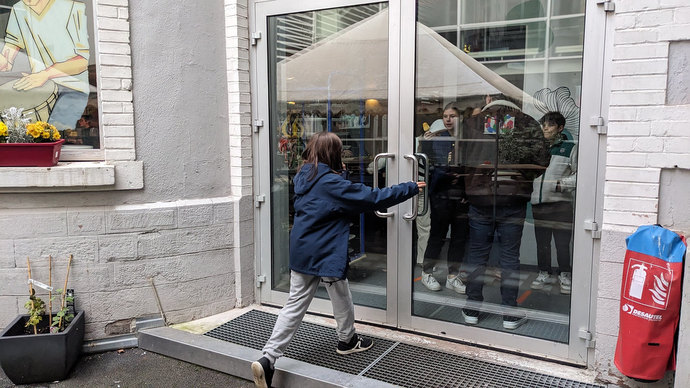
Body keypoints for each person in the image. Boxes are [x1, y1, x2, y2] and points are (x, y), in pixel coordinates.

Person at [251, 132, 424, 388]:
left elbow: (331, 198)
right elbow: (371, 198)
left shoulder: (305, 176)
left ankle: (268, 358)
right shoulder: (330, 184)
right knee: (341, 296)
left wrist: (338, 174)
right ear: (333, 154)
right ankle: (347, 340)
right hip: (326, 251)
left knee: (297, 304)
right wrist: (409, 188)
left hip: (303, 249)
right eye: (340, 152)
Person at [461, 99, 547, 330]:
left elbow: (459, 161)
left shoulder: (472, 123)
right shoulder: (527, 123)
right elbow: (542, 161)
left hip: (479, 199)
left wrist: (470, 186)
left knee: (477, 254)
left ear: (489, 102)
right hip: (513, 200)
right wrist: (520, 181)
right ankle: (509, 313)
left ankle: (472, 308)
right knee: (509, 258)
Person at [0, 0, 90, 131]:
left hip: (72, 88)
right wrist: (5, 59)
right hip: (39, 85)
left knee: (53, 133)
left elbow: (82, 61)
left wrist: (46, 74)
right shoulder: (19, 9)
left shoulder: (74, 8)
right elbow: (13, 42)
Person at [418, 103, 470, 294]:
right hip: (441, 194)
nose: (448, 119)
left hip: (462, 196)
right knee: (437, 236)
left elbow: (472, 168)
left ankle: (452, 276)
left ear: (460, 118)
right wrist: (425, 143)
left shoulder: (467, 139)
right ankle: (427, 272)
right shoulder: (438, 139)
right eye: (446, 116)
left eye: (452, 116)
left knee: (459, 238)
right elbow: (429, 166)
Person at [530, 112, 577, 294]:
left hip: (561, 204)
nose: (545, 129)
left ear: (560, 128)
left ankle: (565, 274)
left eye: (550, 125)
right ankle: (544, 273)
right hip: (538, 203)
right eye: (543, 125)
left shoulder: (570, 147)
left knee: (562, 243)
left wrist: (561, 185)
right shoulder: (536, 148)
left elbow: (580, 174)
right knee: (542, 242)